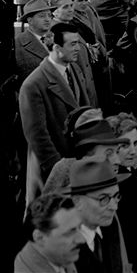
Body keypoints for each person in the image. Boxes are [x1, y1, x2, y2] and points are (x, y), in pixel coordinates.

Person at [19, 21, 97, 204]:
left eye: (78, 42)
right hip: (55, 174)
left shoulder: (74, 69)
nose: (78, 48)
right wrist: (61, 172)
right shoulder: (33, 85)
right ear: (56, 47)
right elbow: (38, 138)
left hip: (79, 164)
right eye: (72, 44)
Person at [106, 112, 137, 273]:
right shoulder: (112, 183)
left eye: (136, 143)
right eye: (125, 145)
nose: (133, 151)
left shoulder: (132, 172)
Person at [66, 157, 133, 273]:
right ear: (77, 201)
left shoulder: (110, 226)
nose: (114, 207)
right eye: (103, 199)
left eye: (116, 196)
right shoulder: (63, 244)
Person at [15, 192, 85, 273]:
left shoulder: (60, 256)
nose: (82, 240)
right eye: (69, 232)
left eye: (79, 228)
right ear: (40, 238)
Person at [15, 0, 55, 83]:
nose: (47, 19)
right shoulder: (18, 44)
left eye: (49, 15)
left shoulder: (56, 39)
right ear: (30, 21)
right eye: (42, 16)